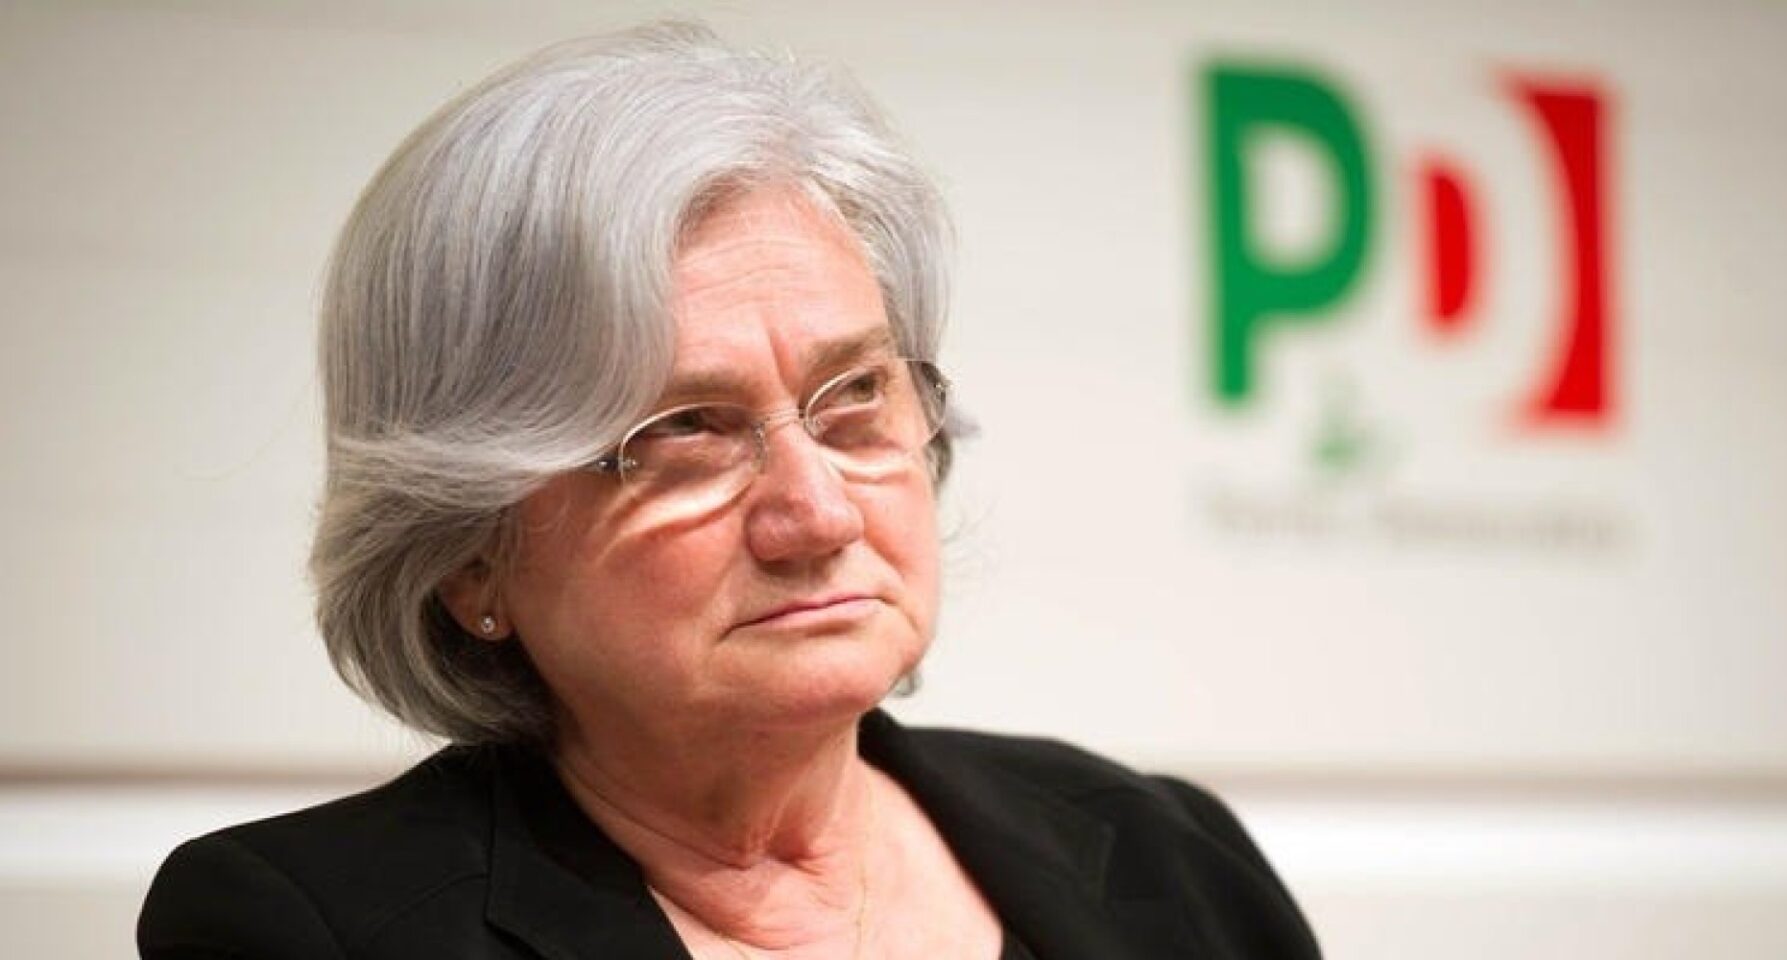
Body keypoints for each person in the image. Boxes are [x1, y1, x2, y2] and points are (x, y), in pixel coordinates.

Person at [137, 22, 1320, 960]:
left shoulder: (1167, 854)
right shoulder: (311, 930)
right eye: (685, 431)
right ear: (469, 551)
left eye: (854, 395)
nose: (819, 514)